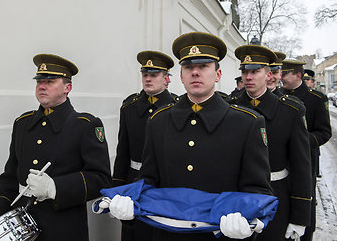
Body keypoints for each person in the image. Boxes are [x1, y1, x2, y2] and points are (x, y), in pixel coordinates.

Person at [108, 32, 273, 241]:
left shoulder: (247, 123)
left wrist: (248, 224)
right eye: (188, 67)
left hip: (220, 234)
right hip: (167, 233)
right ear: (181, 76)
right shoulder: (159, 121)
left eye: (203, 66)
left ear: (218, 74)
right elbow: (149, 179)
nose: (195, 72)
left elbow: (258, 189)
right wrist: (132, 205)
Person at [0, 54, 112, 241]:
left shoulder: (85, 125)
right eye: (39, 81)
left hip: (64, 227)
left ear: (67, 88)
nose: (42, 86)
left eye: (50, 81)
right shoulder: (22, 123)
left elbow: (100, 179)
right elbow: (9, 179)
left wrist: (55, 188)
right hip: (22, 228)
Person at [230, 45, 312, 241]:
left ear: (268, 75)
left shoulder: (290, 110)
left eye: (255, 71)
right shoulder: (229, 107)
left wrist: (300, 217)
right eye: (244, 71)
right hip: (237, 197)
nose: (248, 77)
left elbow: (301, 166)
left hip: (277, 197)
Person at [112, 50, 178, 241]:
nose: (148, 79)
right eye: (145, 74)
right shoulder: (129, 107)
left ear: (167, 79)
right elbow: (122, 150)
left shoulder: (176, 108)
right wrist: (117, 187)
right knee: (134, 232)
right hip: (134, 180)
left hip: (164, 184)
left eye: (154, 75)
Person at [281, 59, 332, 241]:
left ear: (298, 75)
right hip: (281, 160)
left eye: (285, 74)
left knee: (304, 201)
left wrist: (301, 141)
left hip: (305, 161)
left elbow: (325, 132)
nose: (281, 77)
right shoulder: (278, 96)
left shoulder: (316, 99)